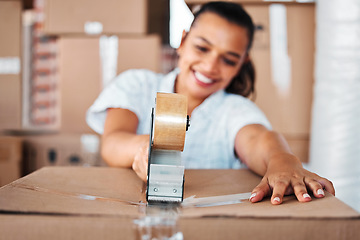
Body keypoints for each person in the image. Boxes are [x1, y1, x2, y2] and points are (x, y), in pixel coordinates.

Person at [86, 1, 334, 205]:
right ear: (183, 41)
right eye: (202, 48)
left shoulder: (234, 110)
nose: (210, 66)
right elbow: (112, 140)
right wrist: (140, 148)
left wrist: (283, 160)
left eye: (228, 60)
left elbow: (260, 139)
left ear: (242, 64)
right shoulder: (136, 85)